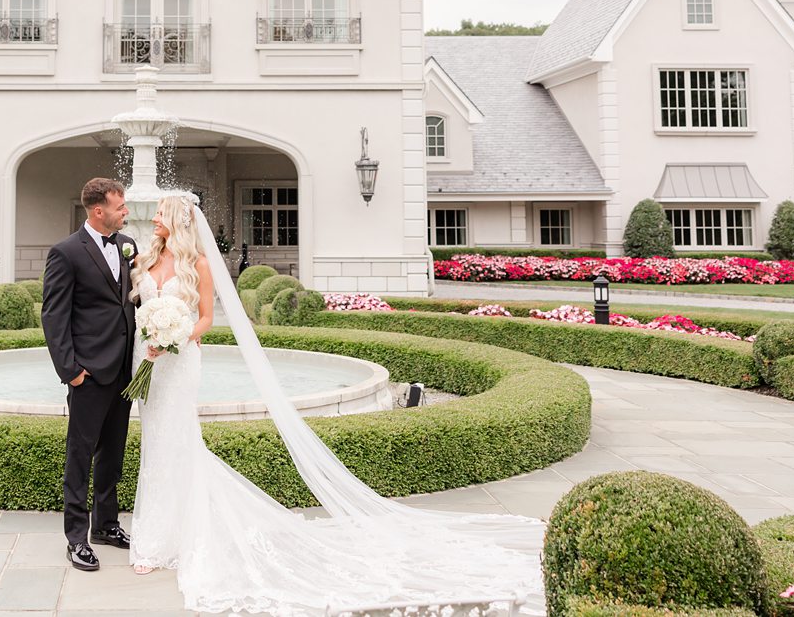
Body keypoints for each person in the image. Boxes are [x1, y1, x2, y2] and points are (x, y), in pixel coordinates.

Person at [126, 193, 546, 615]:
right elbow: (140, 310)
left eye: (161, 214)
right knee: (155, 443)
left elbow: (204, 320)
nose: (156, 219)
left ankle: (172, 538)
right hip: (148, 363)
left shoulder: (197, 264)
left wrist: (176, 338)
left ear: (180, 222)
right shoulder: (145, 259)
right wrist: (151, 338)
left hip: (180, 363)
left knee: (179, 441)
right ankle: (160, 534)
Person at [39, 177, 138, 572]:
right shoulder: (65, 252)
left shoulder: (126, 245)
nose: (125, 211)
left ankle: (106, 525)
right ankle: (76, 537)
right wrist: (71, 371)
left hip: (124, 370)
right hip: (89, 373)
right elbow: (54, 315)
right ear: (99, 211)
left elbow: (131, 300)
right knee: (80, 455)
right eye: (120, 206)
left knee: (113, 453)